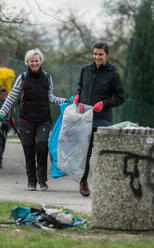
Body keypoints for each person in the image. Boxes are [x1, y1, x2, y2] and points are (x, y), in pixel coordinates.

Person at [0, 48, 68, 191]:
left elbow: (51, 97)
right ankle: (31, 181)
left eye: (37, 60)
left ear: (41, 61)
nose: (34, 63)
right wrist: (2, 113)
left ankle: (42, 180)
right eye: (31, 61)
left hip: (43, 119)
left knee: (42, 147)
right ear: (27, 62)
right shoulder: (22, 78)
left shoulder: (47, 77)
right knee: (29, 151)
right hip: (26, 120)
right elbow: (11, 97)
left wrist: (65, 100)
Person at [73, 42, 125, 197]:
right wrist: (77, 95)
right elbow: (80, 86)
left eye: (100, 54)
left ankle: (106, 185)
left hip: (102, 120)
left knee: (103, 153)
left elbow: (120, 97)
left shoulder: (113, 73)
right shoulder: (85, 70)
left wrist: (104, 103)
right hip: (84, 118)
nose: (97, 57)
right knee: (85, 153)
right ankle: (83, 182)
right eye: (95, 54)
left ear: (107, 55)